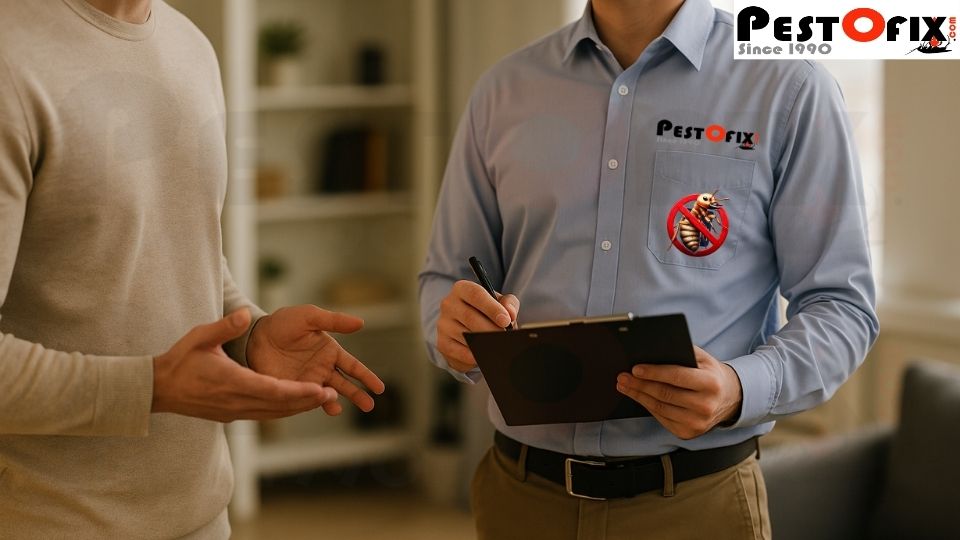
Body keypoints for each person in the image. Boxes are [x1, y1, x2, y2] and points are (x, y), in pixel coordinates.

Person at [419, 0, 879, 538]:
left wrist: (738, 387)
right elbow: (446, 279)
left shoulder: (789, 88)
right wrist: (449, 326)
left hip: (696, 504)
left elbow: (841, 306)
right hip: (519, 499)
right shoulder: (503, 90)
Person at [0, 0, 385, 537]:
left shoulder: (191, 45)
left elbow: (187, 246)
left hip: (204, 518)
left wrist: (250, 334)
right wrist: (151, 387)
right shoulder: (11, 55)